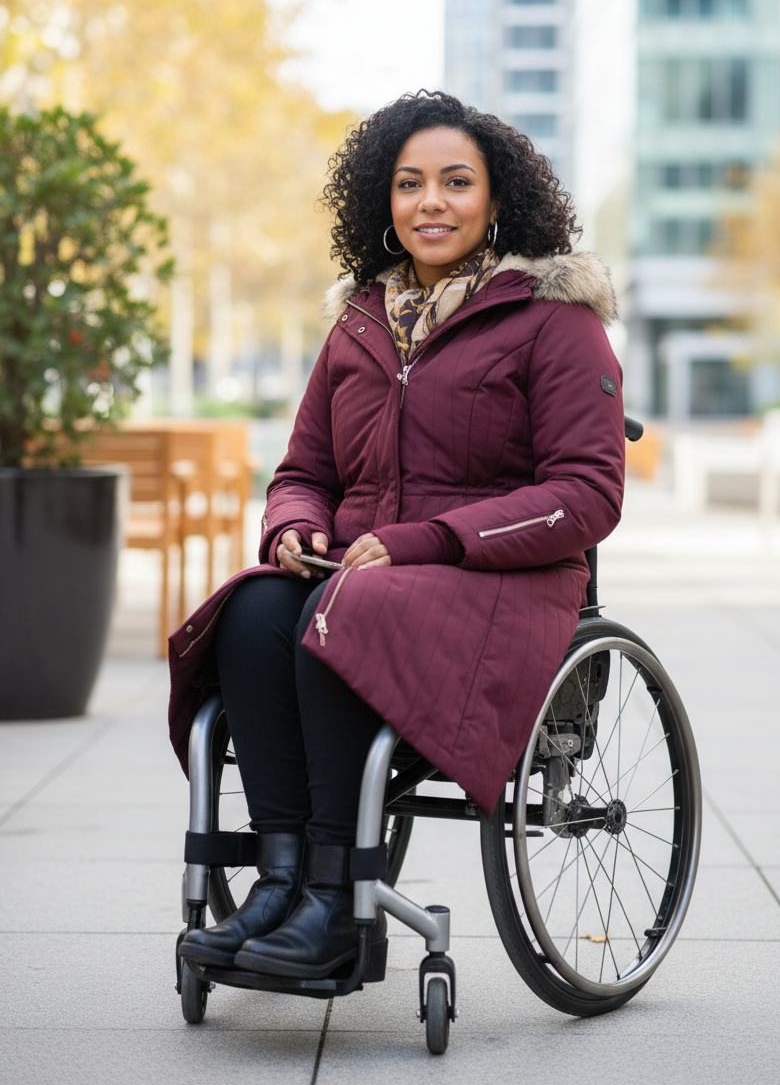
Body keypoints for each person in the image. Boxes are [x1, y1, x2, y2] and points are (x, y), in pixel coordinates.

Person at [174, 89, 625, 980]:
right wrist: (296, 529)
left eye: (457, 183)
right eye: (410, 184)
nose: (432, 203)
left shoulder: (552, 319)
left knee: (349, 606)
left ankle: (339, 903)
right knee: (257, 606)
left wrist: (430, 541)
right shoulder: (358, 326)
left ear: (498, 201)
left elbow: (586, 493)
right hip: (360, 576)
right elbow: (303, 471)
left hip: (498, 579)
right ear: (383, 202)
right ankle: (281, 875)